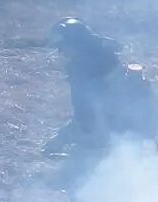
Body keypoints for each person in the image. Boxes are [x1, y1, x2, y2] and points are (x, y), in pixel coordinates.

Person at [45, 17, 123, 155]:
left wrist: (63, 138)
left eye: (62, 46)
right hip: (123, 130)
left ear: (75, 43)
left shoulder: (84, 69)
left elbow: (86, 115)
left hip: (110, 136)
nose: (61, 52)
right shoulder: (103, 57)